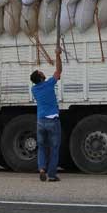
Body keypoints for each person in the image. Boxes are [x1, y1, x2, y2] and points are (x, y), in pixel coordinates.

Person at [30, 50, 63, 182]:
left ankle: (42, 169)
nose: (42, 71)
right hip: (52, 120)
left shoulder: (34, 89)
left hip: (40, 121)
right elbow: (59, 70)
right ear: (41, 77)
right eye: (40, 72)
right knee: (54, 148)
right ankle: (52, 175)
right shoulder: (49, 84)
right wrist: (57, 55)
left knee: (42, 147)